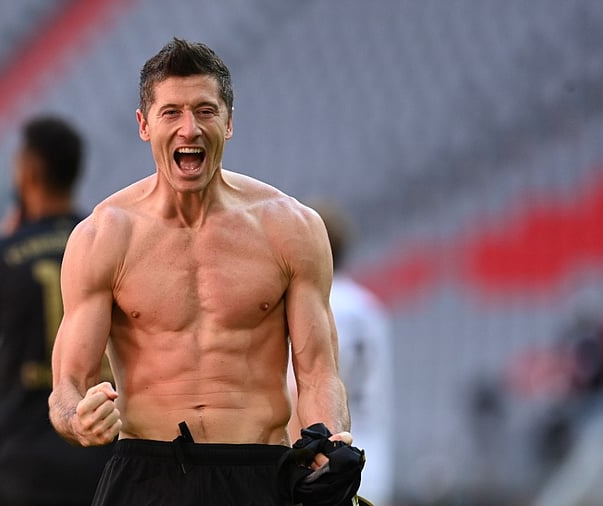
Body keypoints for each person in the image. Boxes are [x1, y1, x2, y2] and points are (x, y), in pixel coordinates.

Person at [48, 38, 355, 505]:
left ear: (229, 122)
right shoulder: (103, 236)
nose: (189, 129)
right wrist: (77, 419)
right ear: (143, 125)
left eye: (205, 111)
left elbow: (317, 373)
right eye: (171, 112)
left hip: (258, 472)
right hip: (147, 471)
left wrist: (326, 441)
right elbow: (67, 385)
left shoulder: (290, 227)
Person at [0, 115, 113, 505]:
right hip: (103, 450)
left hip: (26, 458)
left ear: (29, 171)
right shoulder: (108, 245)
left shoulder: (0, 255)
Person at [305, 203, 395, 505]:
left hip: (332, 455)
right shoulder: (368, 306)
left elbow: (317, 377)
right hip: (373, 451)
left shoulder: (321, 304)